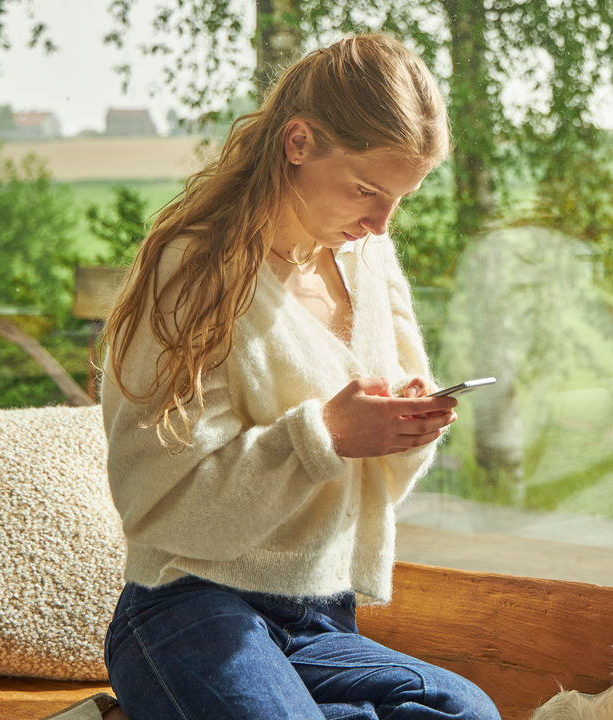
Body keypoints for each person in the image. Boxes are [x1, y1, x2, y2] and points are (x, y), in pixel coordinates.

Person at [99, 33, 500, 720]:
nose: (380, 222)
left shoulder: (368, 264)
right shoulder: (193, 272)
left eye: (400, 198)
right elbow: (150, 501)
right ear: (298, 143)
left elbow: (373, 487)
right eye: (366, 190)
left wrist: (403, 431)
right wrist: (325, 437)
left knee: (468, 712)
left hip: (321, 620)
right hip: (187, 608)